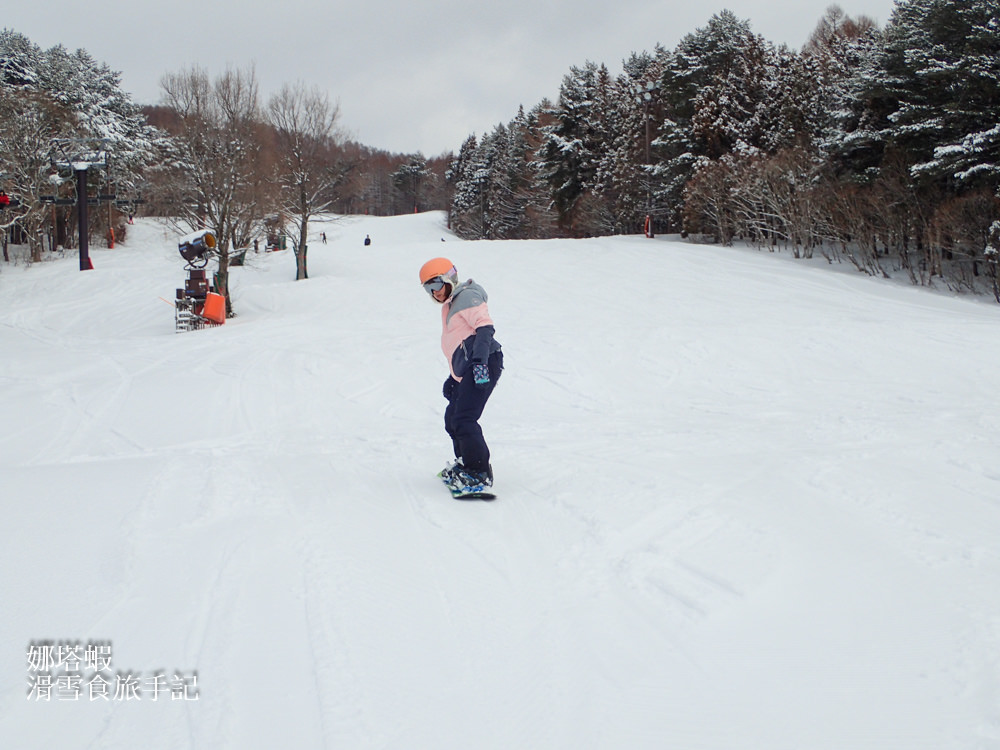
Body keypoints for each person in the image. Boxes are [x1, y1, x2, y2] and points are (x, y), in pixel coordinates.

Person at [420, 257, 503, 493]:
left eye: (436, 285)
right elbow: (459, 343)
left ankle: (479, 473)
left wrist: (480, 364)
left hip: (485, 362)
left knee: (465, 419)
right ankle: (466, 463)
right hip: (467, 368)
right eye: (428, 288)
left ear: (449, 279)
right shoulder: (451, 303)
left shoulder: (466, 297)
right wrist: (454, 378)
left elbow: (485, 328)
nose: (434, 293)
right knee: (452, 418)